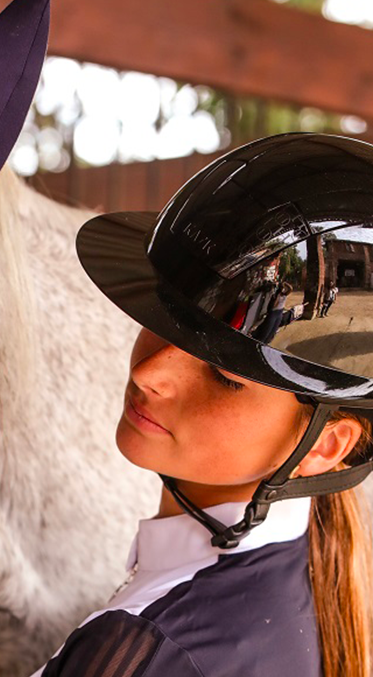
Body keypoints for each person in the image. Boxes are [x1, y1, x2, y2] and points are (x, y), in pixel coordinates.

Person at [28, 132, 373, 677]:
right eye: (164, 322)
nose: (148, 372)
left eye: (222, 375)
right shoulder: (295, 587)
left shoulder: (151, 646)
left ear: (325, 447)